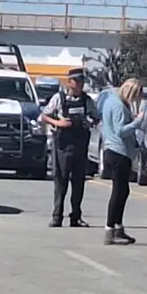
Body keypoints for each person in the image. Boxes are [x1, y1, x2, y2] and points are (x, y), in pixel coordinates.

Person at [40, 68, 99, 228]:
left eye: (82, 81)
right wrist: (59, 123)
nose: (79, 84)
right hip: (63, 145)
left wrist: (89, 122)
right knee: (61, 181)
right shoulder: (58, 98)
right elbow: (44, 116)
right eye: (76, 81)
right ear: (69, 82)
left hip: (80, 144)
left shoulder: (87, 100)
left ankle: (76, 216)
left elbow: (96, 117)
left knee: (78, 182)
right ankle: (57, 215)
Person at [97, 78, 145, 245]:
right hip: (118, 151)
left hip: (114, 150)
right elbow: (120, 131)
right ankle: (110, 229)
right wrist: (137, 122)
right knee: (118, 192)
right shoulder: (118, 105)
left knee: (123, 191)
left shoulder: (111, 101)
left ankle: (118, 226)